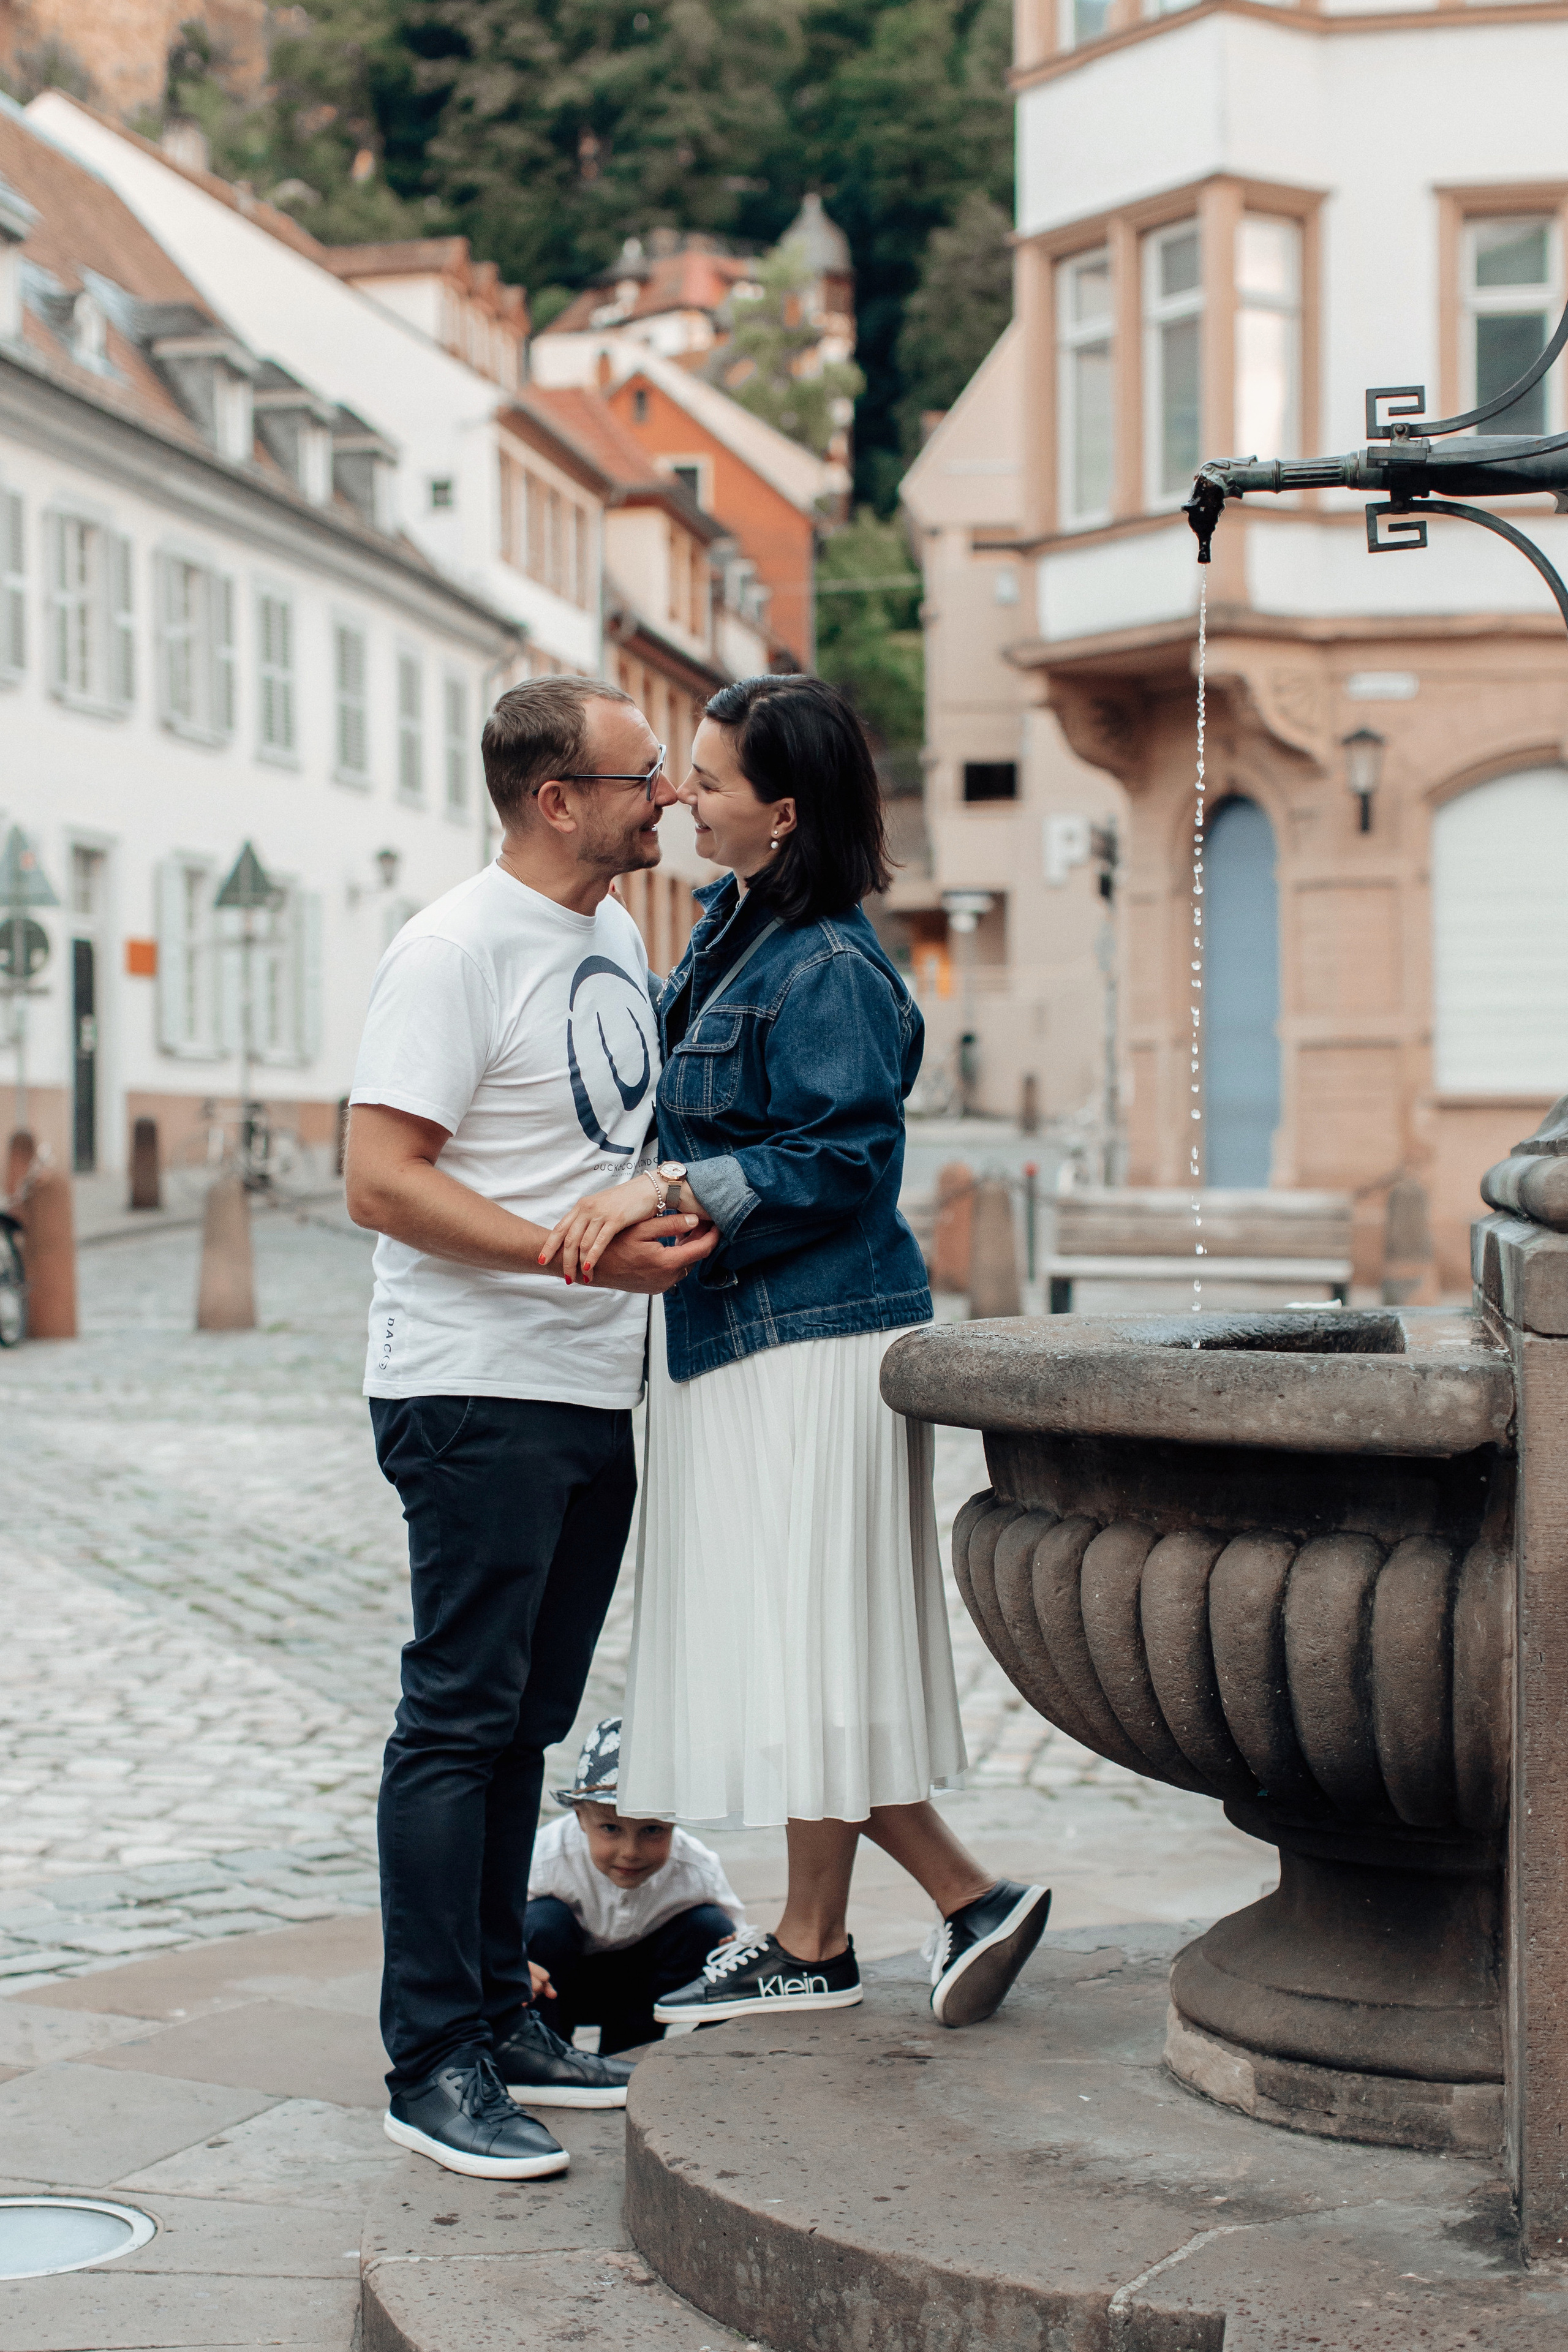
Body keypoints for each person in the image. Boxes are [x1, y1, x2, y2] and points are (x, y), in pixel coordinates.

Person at [540, 674, 1051, 2038]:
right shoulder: (737, 929)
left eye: (703, 781)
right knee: (800, 1642)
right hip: (748, 1338)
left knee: (798, 1639)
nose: (677, 796)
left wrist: (673, 1194)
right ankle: (818, 1937)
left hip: (811, 1343)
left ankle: (955, 1894)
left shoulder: (825, 962)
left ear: (780, 811)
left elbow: (845, 1158)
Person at [344, 676, 716, 2182]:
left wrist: (641, 1223)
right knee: (454, 1721)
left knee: (523, 1724)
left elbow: (597, 1142)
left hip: (583, 1379)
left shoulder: (613, 930)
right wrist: (570, 1254)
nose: (670, 797)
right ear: (554, 798)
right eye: (642, 775)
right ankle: (428, 2059)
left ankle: (501, 2017)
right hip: (472, 1379)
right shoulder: (448, 948)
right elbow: (379, 1179)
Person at [526, 1718, 747, 2058]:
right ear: (580, 1818)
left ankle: (632, 2055)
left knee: (710, 1928)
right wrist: (514, 1964)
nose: (631, 1851)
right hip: (561, 1988)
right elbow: (484, 1926)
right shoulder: (545, 1858)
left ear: (675, 1821)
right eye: (611, 1828)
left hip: (645, 1990)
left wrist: (733, 1951)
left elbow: (737, 1945)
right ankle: (550, 2054)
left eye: (653, 1830)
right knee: (541, 1923)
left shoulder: (696, 1869)